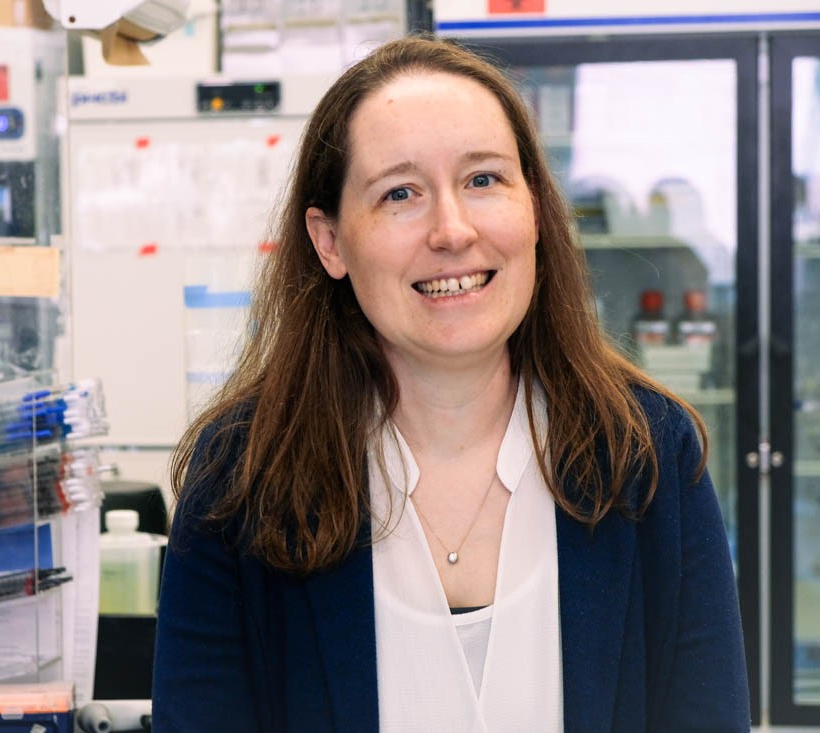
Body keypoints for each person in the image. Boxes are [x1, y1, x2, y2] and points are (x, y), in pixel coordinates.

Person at [152, 36, 749, 732]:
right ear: (330, 241)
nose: (452, 230)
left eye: (484, 179)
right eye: (400, 193)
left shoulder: (650, 457)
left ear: (534, 209)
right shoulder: (241, 478)